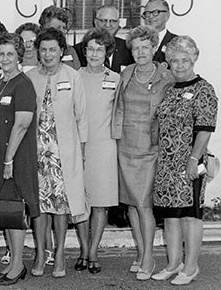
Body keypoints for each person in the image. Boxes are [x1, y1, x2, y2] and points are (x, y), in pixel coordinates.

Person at [152, 36, 217, 285]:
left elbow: (205, 129)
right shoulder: (170, 89)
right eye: (174, 60)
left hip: (189, 162)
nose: (179, 65)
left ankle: (191, 268)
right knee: (170, 214)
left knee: (190, 215)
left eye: (185, 60)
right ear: (168, 61)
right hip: (166, 163)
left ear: (194, 59)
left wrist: (193, 159)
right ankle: (173, 263)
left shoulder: (204, 89)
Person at [26, 27, 88, 278]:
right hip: (36, 153)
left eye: (53, 49)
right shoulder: (30, 77)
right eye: (44, 49)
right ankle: (42, 253)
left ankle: (60, 253)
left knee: (61, 206)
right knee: (39, 206)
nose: (48, 54)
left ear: (62, 51)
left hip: (64, 153)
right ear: (37, 51)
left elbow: (81, 117)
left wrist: (80, 154)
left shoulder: (73, 76)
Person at [112, 25, 173, 280]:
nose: (140, 52)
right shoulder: (126, 73)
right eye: (135, 48)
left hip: (151, 149)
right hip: (125, 145)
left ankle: (148, 256)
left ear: (154, 47)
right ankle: (141, 251)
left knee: (144, 204)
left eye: (145, 47)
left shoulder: (166, 76)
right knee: (131, 206)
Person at [0, 32, 39, 286]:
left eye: (10, 53)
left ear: (19, 55)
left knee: (15, 209)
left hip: (16, 155)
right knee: (5, 209)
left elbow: (22, 124)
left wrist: (8, 160)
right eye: (1, 54)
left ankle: (18, 265)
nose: (5, 58)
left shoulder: (23, 83)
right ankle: (13, 262)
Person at [75, 28, 120, 274]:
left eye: (99, 49)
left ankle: (93, 252)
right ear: (85, 50)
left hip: (104, 147)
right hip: (79, 145)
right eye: (90, 48)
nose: (94, 53)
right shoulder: (74, 76)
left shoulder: (115, 79)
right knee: (82, 202)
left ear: (107, 52)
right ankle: (83, 250)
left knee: (100, 203)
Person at [74, 5, 134, 72]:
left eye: (113, 21)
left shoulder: (128, 48)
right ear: (95, 22)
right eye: (103, 20)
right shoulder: (78, 50)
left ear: (118, 24)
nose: (108, 25)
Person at [142, 0, 177, 64]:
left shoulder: (177, 42)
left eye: (155, 12)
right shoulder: (137, 41)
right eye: (147, 13)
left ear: (167, 16)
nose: (150, 16)